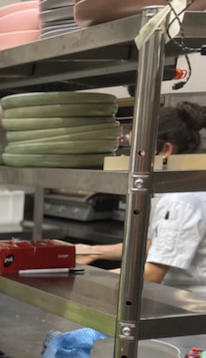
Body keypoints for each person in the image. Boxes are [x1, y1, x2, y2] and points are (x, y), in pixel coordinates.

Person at [76, 101, 206, 294]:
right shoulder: (172, 189)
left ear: (166, 150)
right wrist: (93, 251)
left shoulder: (179, 201)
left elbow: (152, 274)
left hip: (190, 304)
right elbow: (153, 243)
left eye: (138, 150)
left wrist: (82, 282)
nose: (132, 157)